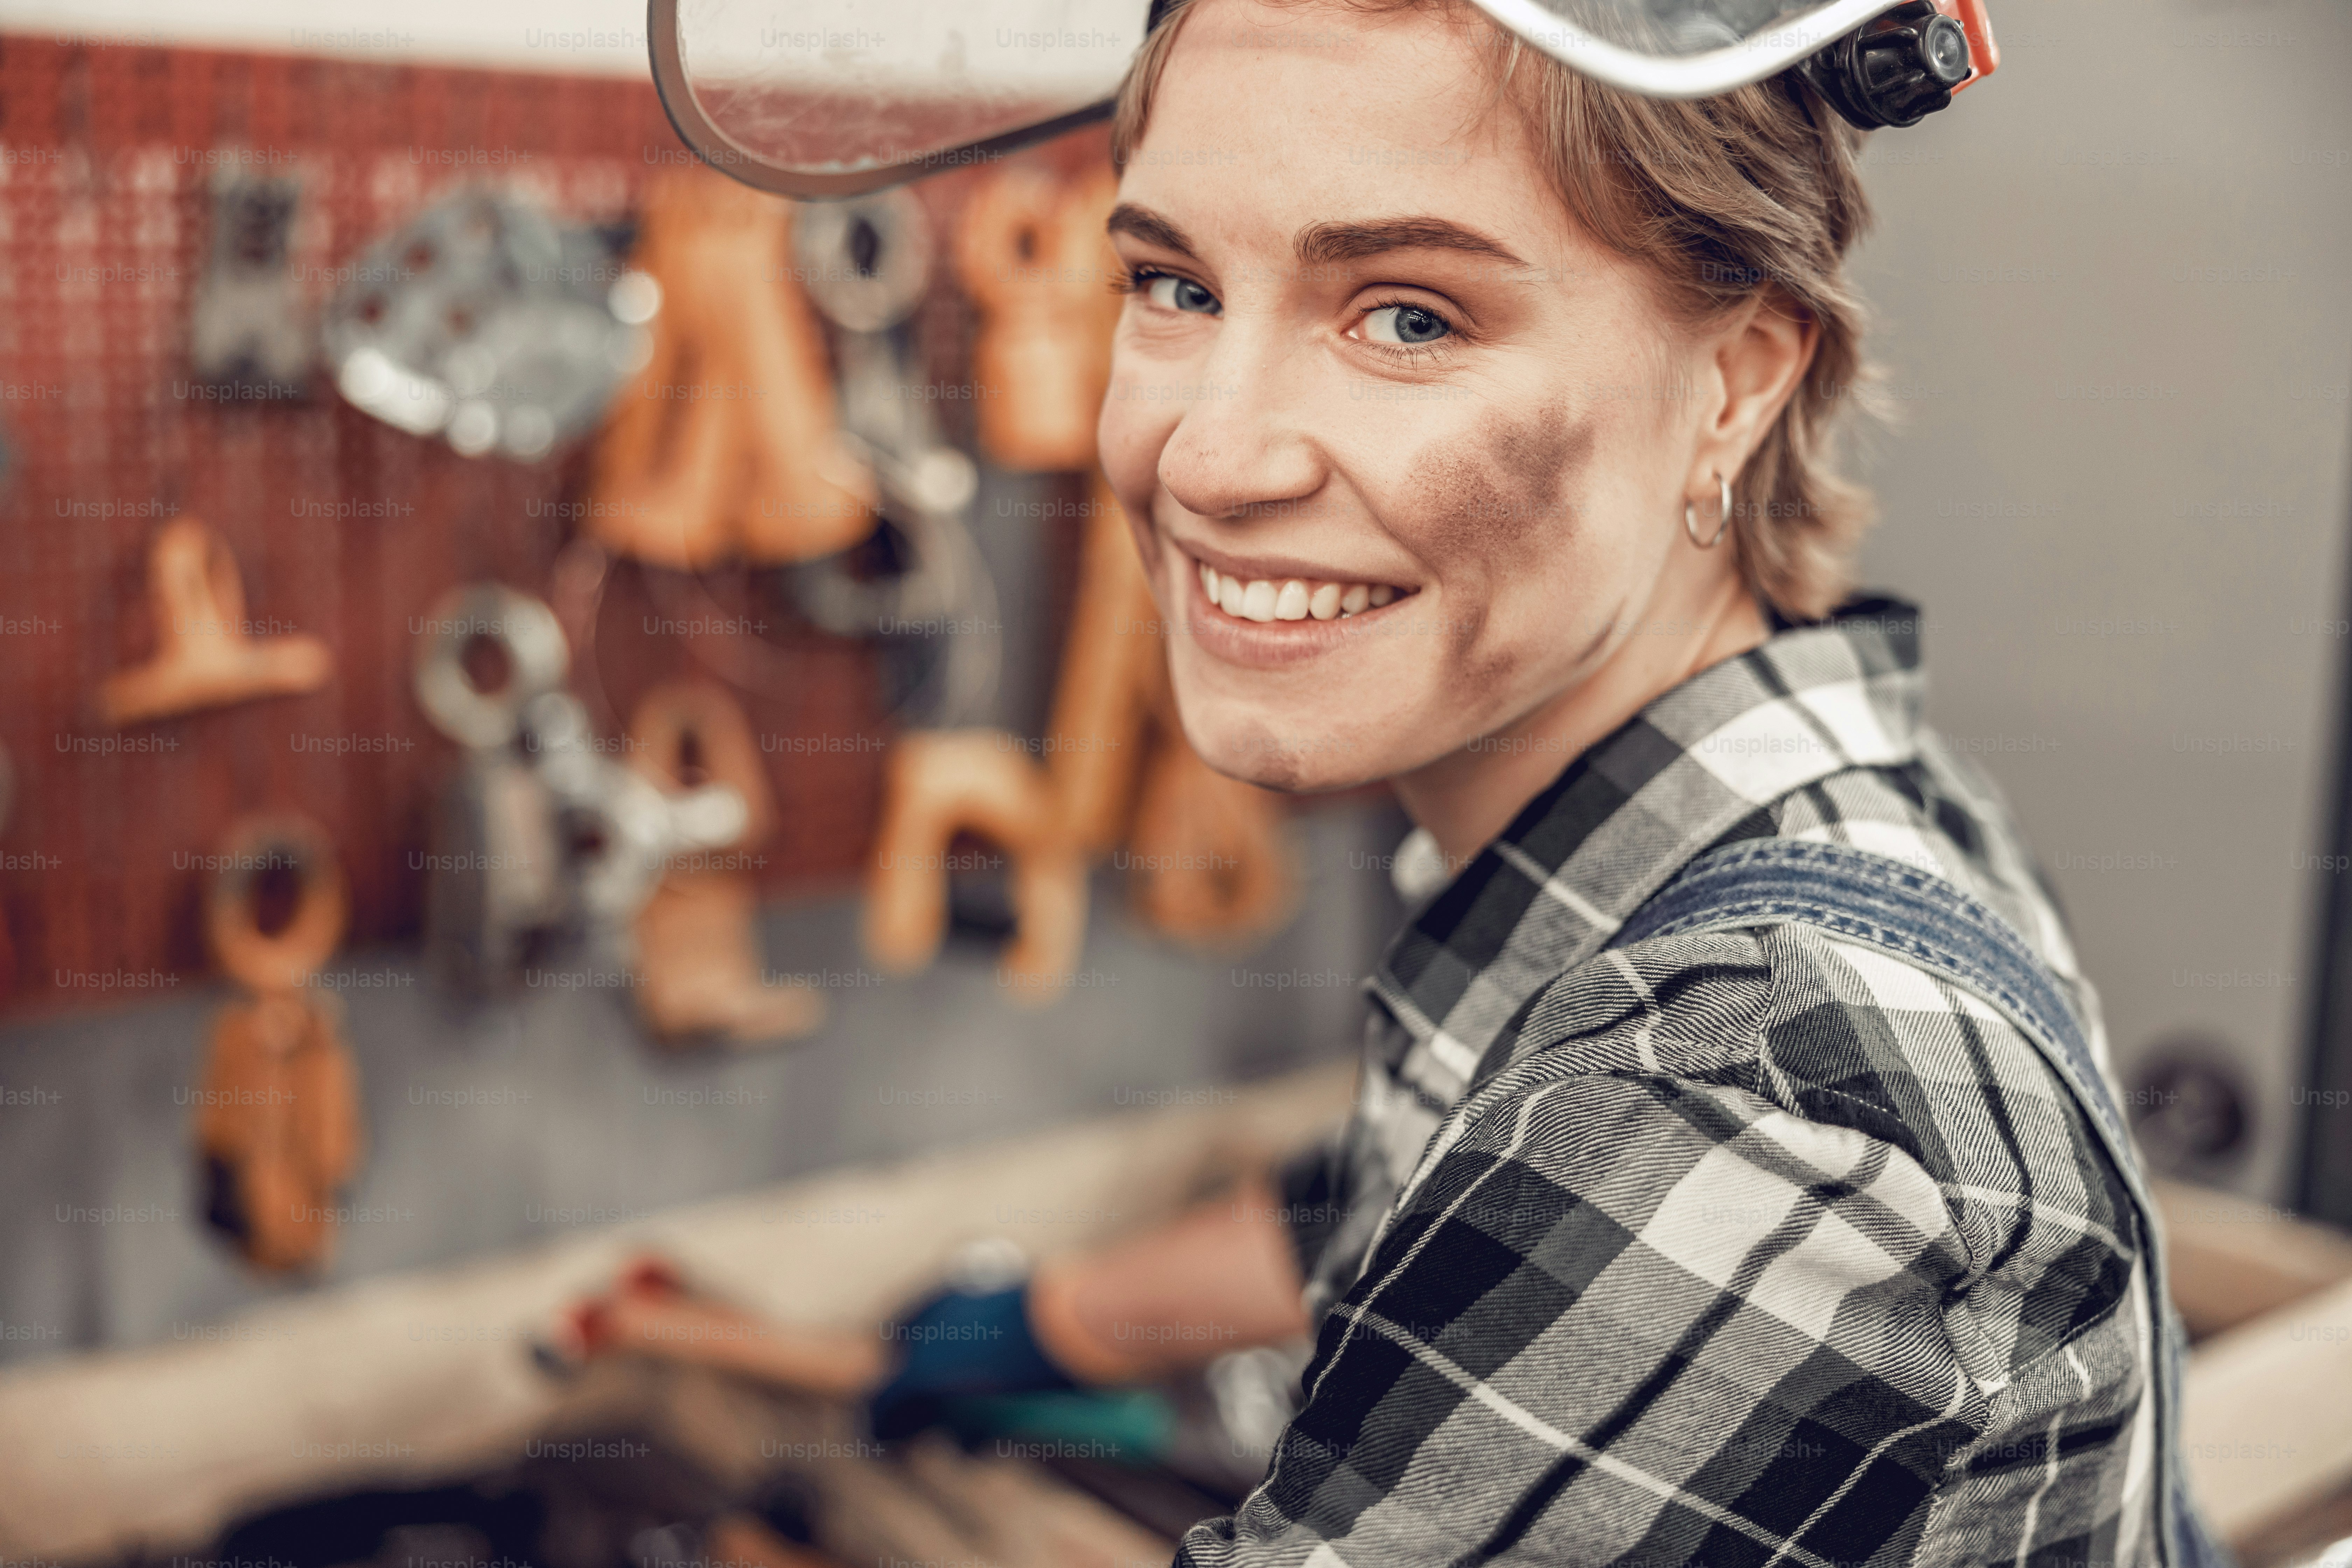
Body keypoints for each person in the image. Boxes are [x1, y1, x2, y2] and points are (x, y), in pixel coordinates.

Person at [868, 0, 2226, 1562]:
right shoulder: (1806, 810)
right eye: (1173, 284)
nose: (1207, 459)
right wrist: (1057, 1318)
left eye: (1410, 318)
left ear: (1734, 385)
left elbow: (1626, 1154)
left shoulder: (1748, 1083)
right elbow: (1446, 1171)